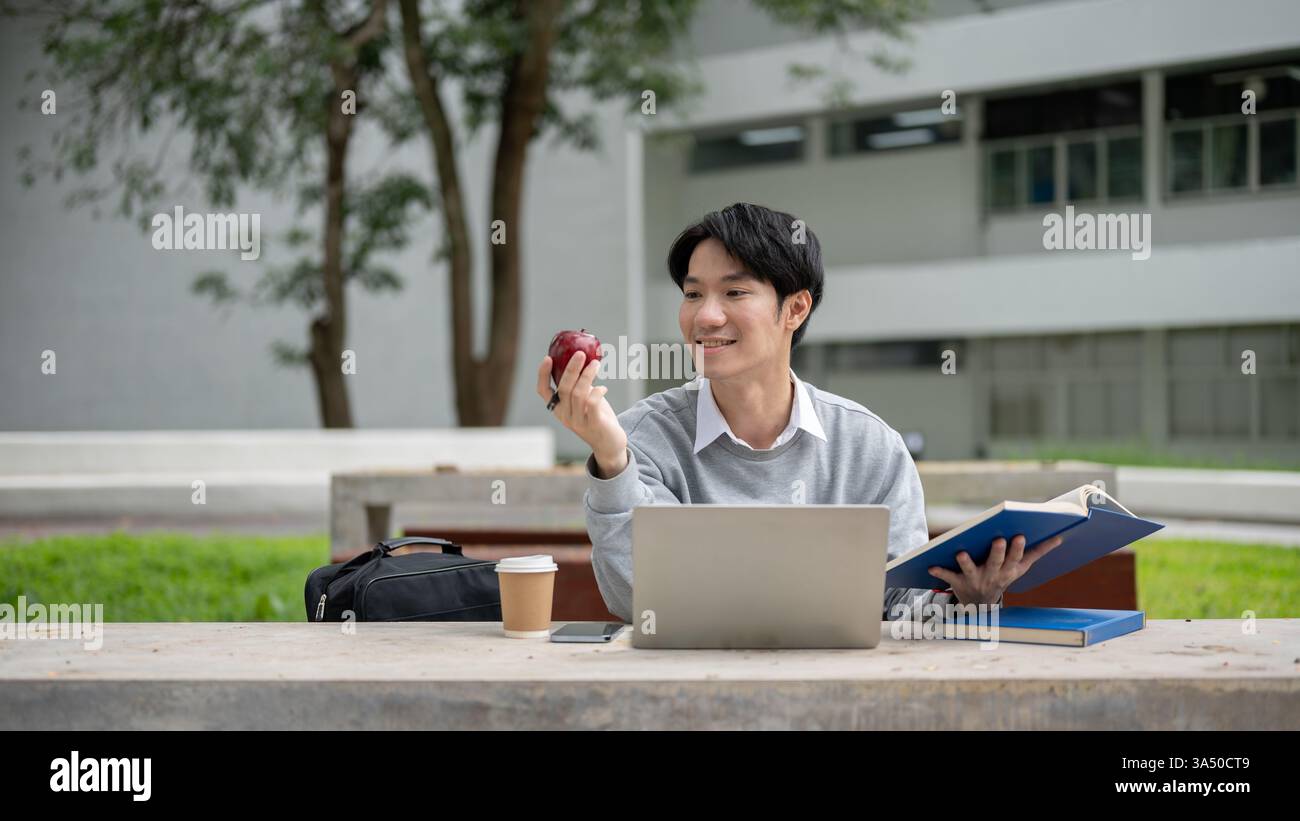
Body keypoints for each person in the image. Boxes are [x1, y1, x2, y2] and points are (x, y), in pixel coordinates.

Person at [536, 202, 1060, 624]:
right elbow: (637, 600)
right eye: (693, 294)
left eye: (734, 292)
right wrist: (611, 459)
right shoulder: (640, 438)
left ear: (795, 308)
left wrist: (972, 600)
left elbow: (902, 607)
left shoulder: (869, 445)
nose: (706, 316)